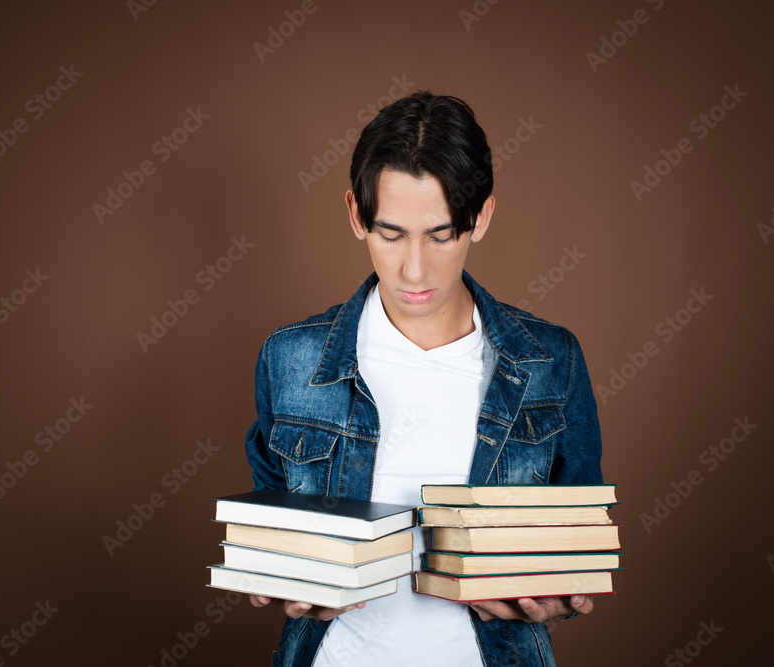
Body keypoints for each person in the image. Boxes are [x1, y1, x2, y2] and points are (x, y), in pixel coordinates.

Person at [244, 91, 603, 666]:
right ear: (356, 215)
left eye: (440, 235)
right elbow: (273, 539)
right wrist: (280, 582)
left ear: (480, 217)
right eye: (391, 234)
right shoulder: (289, 360)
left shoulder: (550, 362)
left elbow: (578, 555)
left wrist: (559, 602)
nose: (415, 269)